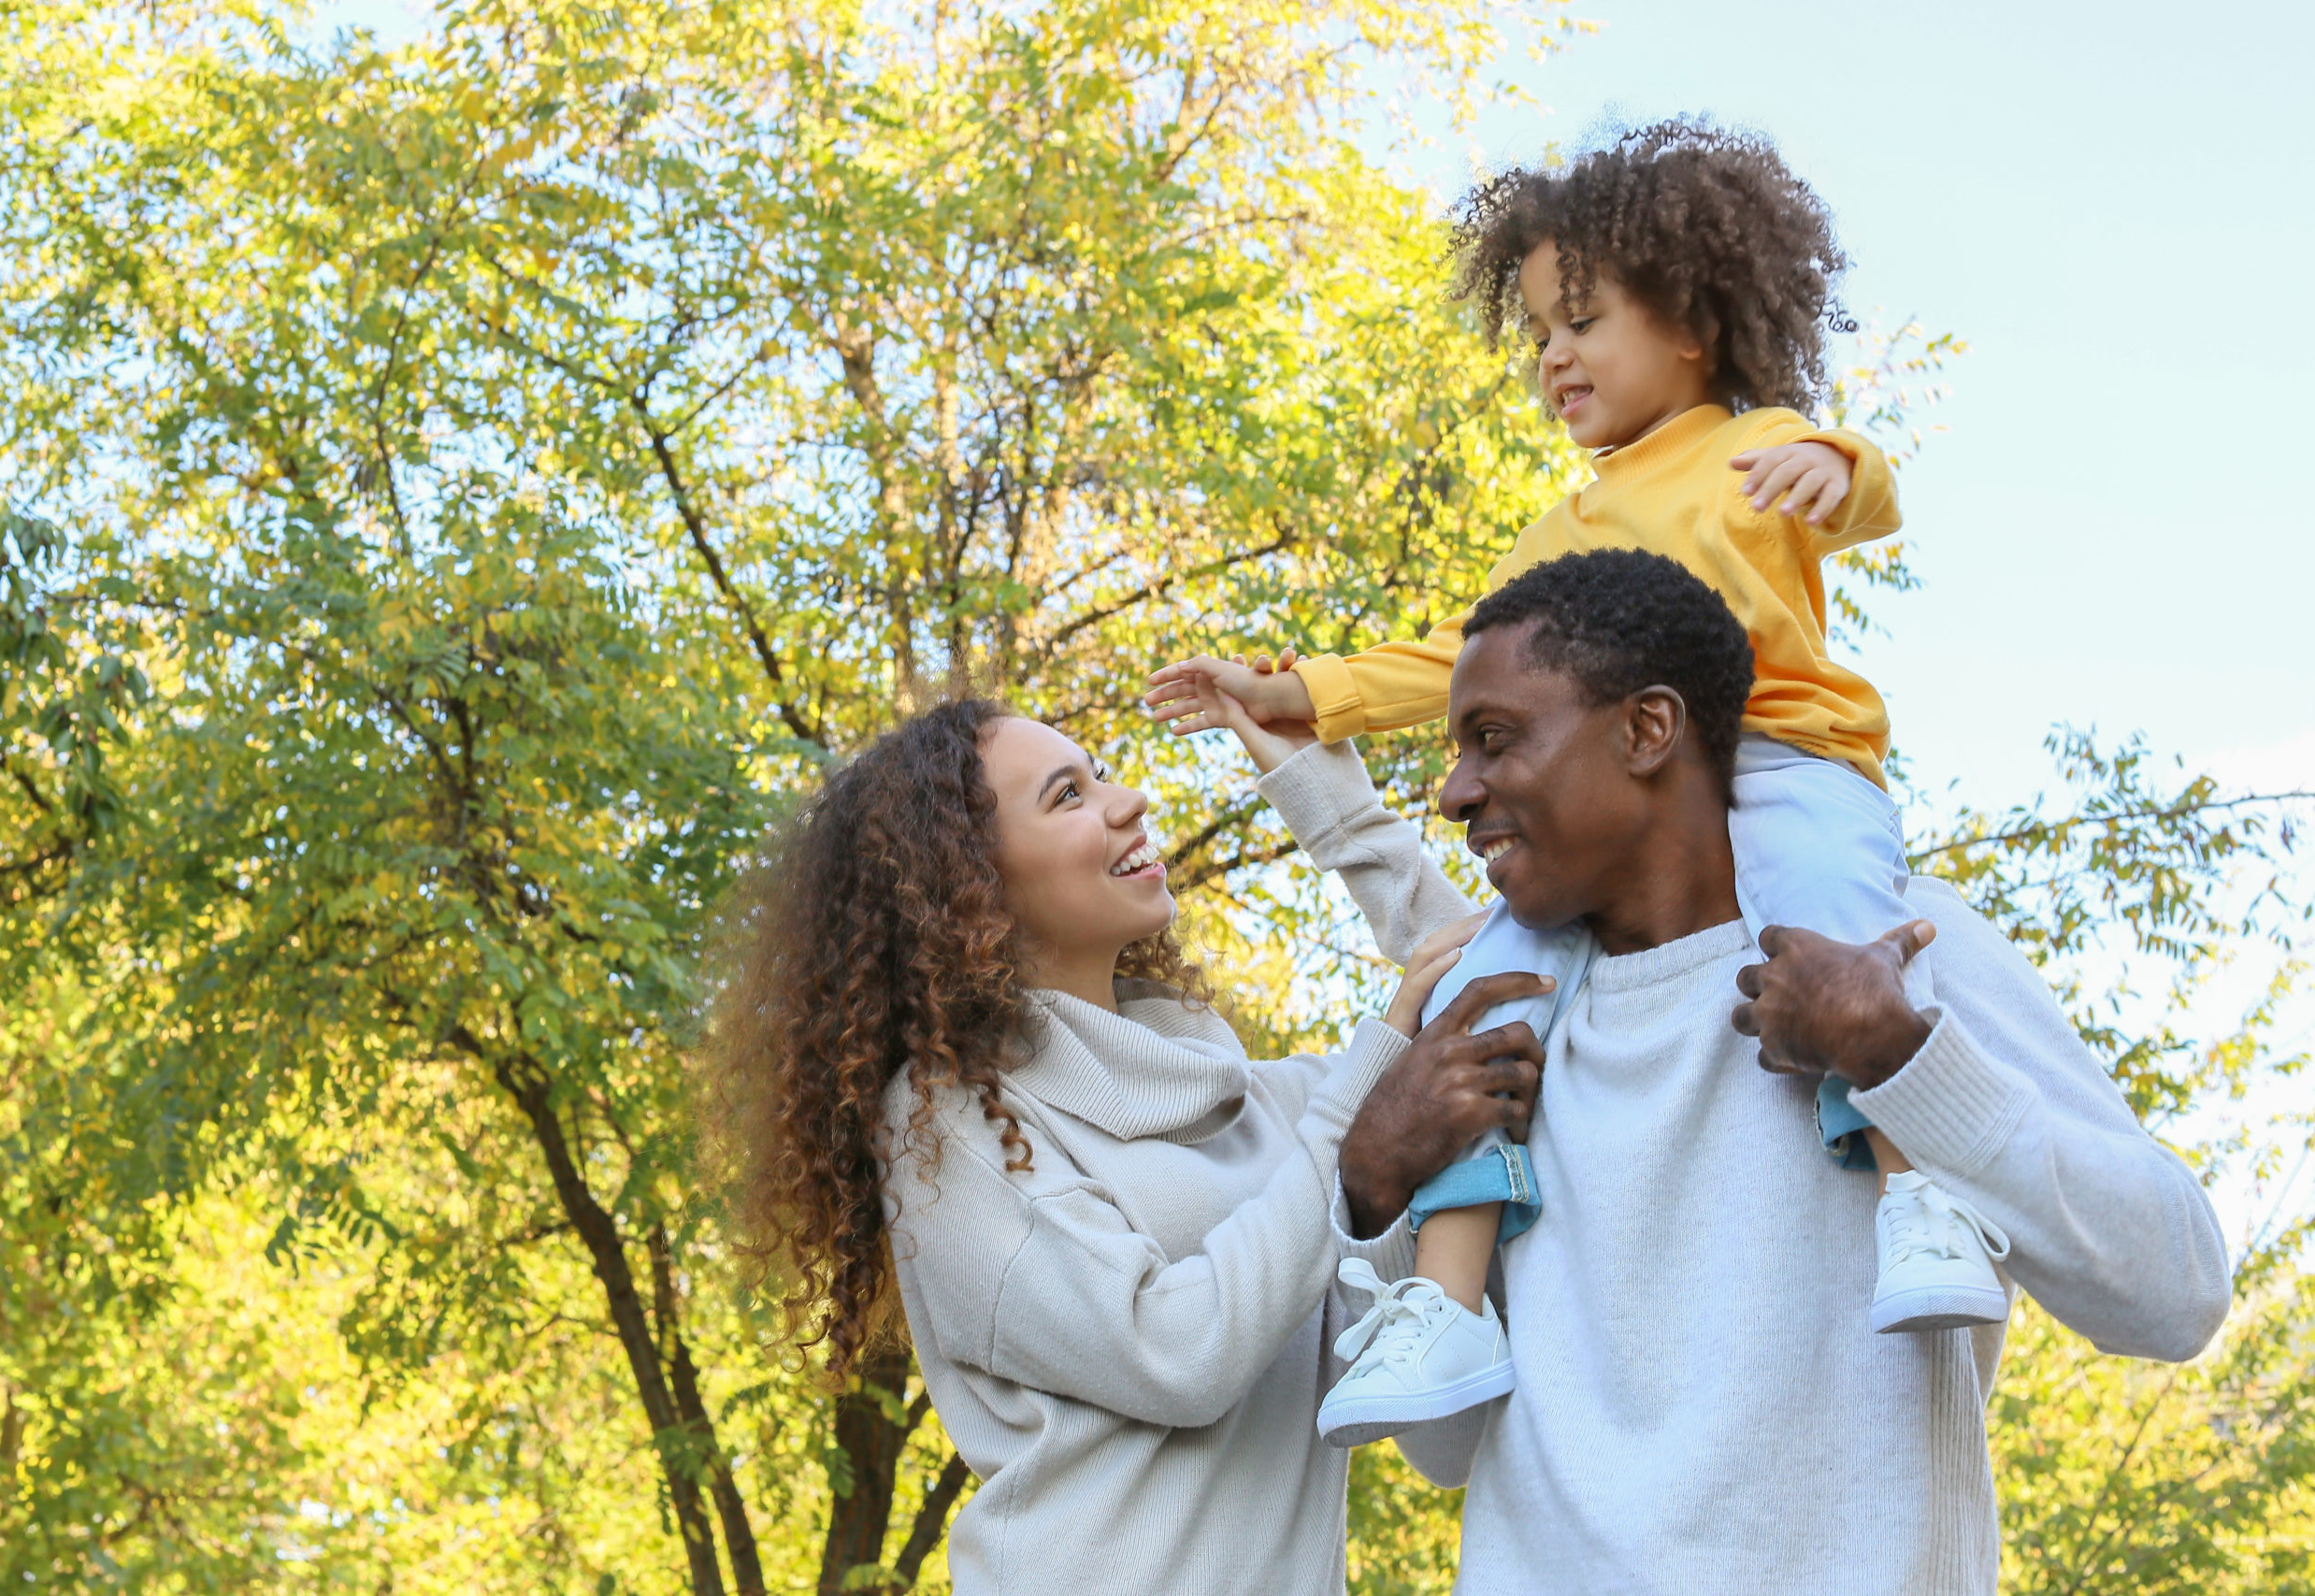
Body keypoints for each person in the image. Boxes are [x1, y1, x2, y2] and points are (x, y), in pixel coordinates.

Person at [1144, 119, 1992, 1445]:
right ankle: (1446, 1293)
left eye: (1585, 320)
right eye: (1540, 328)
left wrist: (1834, 469)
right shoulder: (1566, 525)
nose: (1553, 355)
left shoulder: (1753, 445)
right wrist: (1305, 692)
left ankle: (1917, 1190)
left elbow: (1868, 489)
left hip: (1783, 759)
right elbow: (1461, 660)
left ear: (1694, 327)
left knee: (1842, 928)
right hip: (1635, 799)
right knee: (1489, 985)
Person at [1186, 549, 2230, 1592]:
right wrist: (1374, 1188)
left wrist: (1897, 1058)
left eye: (1493, 741)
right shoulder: (1501, 1025)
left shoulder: (1901, 955)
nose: (1456, 793)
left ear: (1647, 730)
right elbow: (1444, 1448)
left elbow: (2173, 1293)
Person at [701, 697, 1546, 1596]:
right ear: (970, 884)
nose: (1129, 798)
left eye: (1100, 771)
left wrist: (1329, 800)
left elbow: (1502, 992)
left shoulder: (1277, 1112)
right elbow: (1176, 1352)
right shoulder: (951, 1128)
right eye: (1068, 795)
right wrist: (1360, 1150)